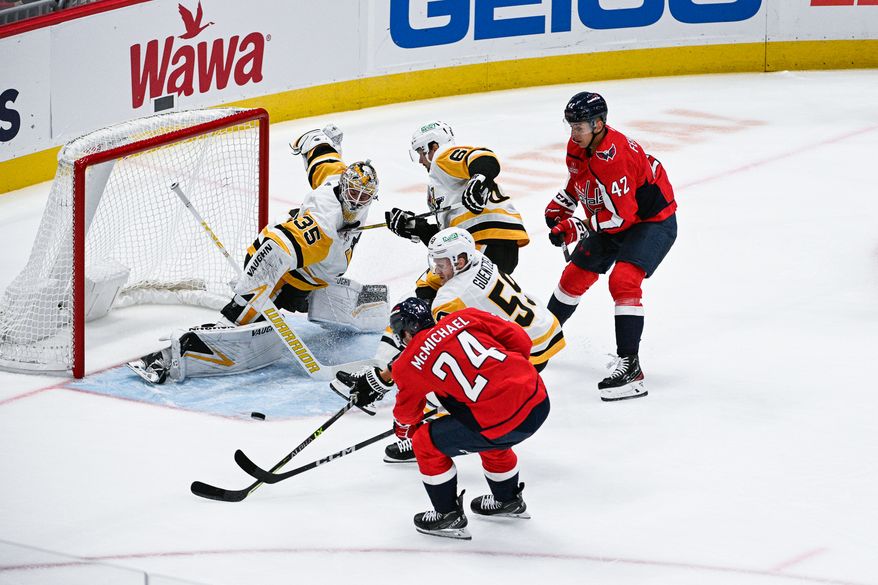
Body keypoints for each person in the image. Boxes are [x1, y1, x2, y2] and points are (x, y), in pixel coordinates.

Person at [127, 125, 384, 384]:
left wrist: (319, 139)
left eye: (365, 197)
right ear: (344, 186)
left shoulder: (337, 176)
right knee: (251, 308)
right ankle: (190, 350)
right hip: (290, 278)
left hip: (317, 270)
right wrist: (239, 310)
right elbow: (273, 252)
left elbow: (321, 156)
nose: (357, 201)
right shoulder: (323, 222)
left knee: (318, 273)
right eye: (353, 193)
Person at [355, 227, 564, 463]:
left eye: (441, 264)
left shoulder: (449, 300)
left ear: (460, 260)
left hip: (527, 351)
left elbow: (436, 349)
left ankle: (424, 438)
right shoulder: (480, 259)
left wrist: (394, 371)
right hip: (544, 329)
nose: (436, 270)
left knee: (448, 379)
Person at [347, 298, 550, 540]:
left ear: (406, 330)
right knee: (485, 434)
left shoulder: (408, 362)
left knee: (425, 442)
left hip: (501, 421)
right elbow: (521, 341)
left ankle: (447, 516)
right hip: (537, 398)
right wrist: (505, 378)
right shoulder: (464, 316)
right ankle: (507, 500)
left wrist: (405, 432)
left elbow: (407, 416)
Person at [544, 91, 677, 402]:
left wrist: (576, 226)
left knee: (623, 281)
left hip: (651, 221)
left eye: (579, 127)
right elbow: (578, 182)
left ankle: (631, 367)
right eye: (571, 126)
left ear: (599, 124)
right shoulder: (578, 146)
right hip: (617, 216)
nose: (573, 132)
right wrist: (561, 206)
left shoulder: (614, 157)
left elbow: (622, 217)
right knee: (572, 277)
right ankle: (542, 340)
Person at [384, 121, 529, 299]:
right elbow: (449, 241)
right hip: (494, 245)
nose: (421, 160)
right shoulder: (441, 185)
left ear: (434, 146)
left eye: (422, 152)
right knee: (458, 297)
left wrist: (478, 181)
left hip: (486, 241)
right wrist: (415, 227)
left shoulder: (441, 158)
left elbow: (484, 157)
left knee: (428, 290)